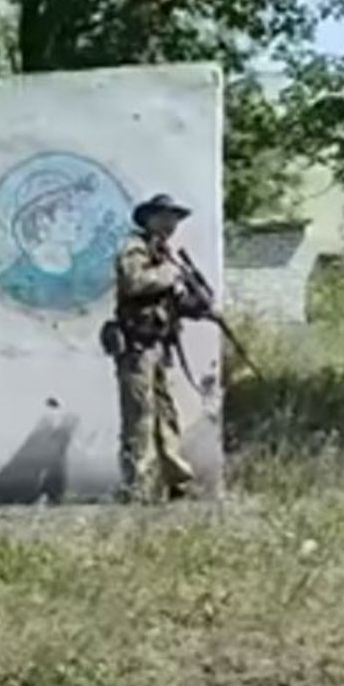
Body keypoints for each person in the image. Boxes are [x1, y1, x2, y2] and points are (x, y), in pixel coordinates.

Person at [110, 193, 199, 503]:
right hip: (137, 346)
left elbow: (169, 299)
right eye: (166, 216)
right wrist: (168, 276)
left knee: (165, 414)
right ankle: (137, 486)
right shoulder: (135, 247)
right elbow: (133, 282)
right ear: (150, 218)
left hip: (160, 344)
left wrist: (196, 304)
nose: (172, 223)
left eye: (175, 217)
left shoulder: (164, 253)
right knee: (140, 417)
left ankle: (176, 480)